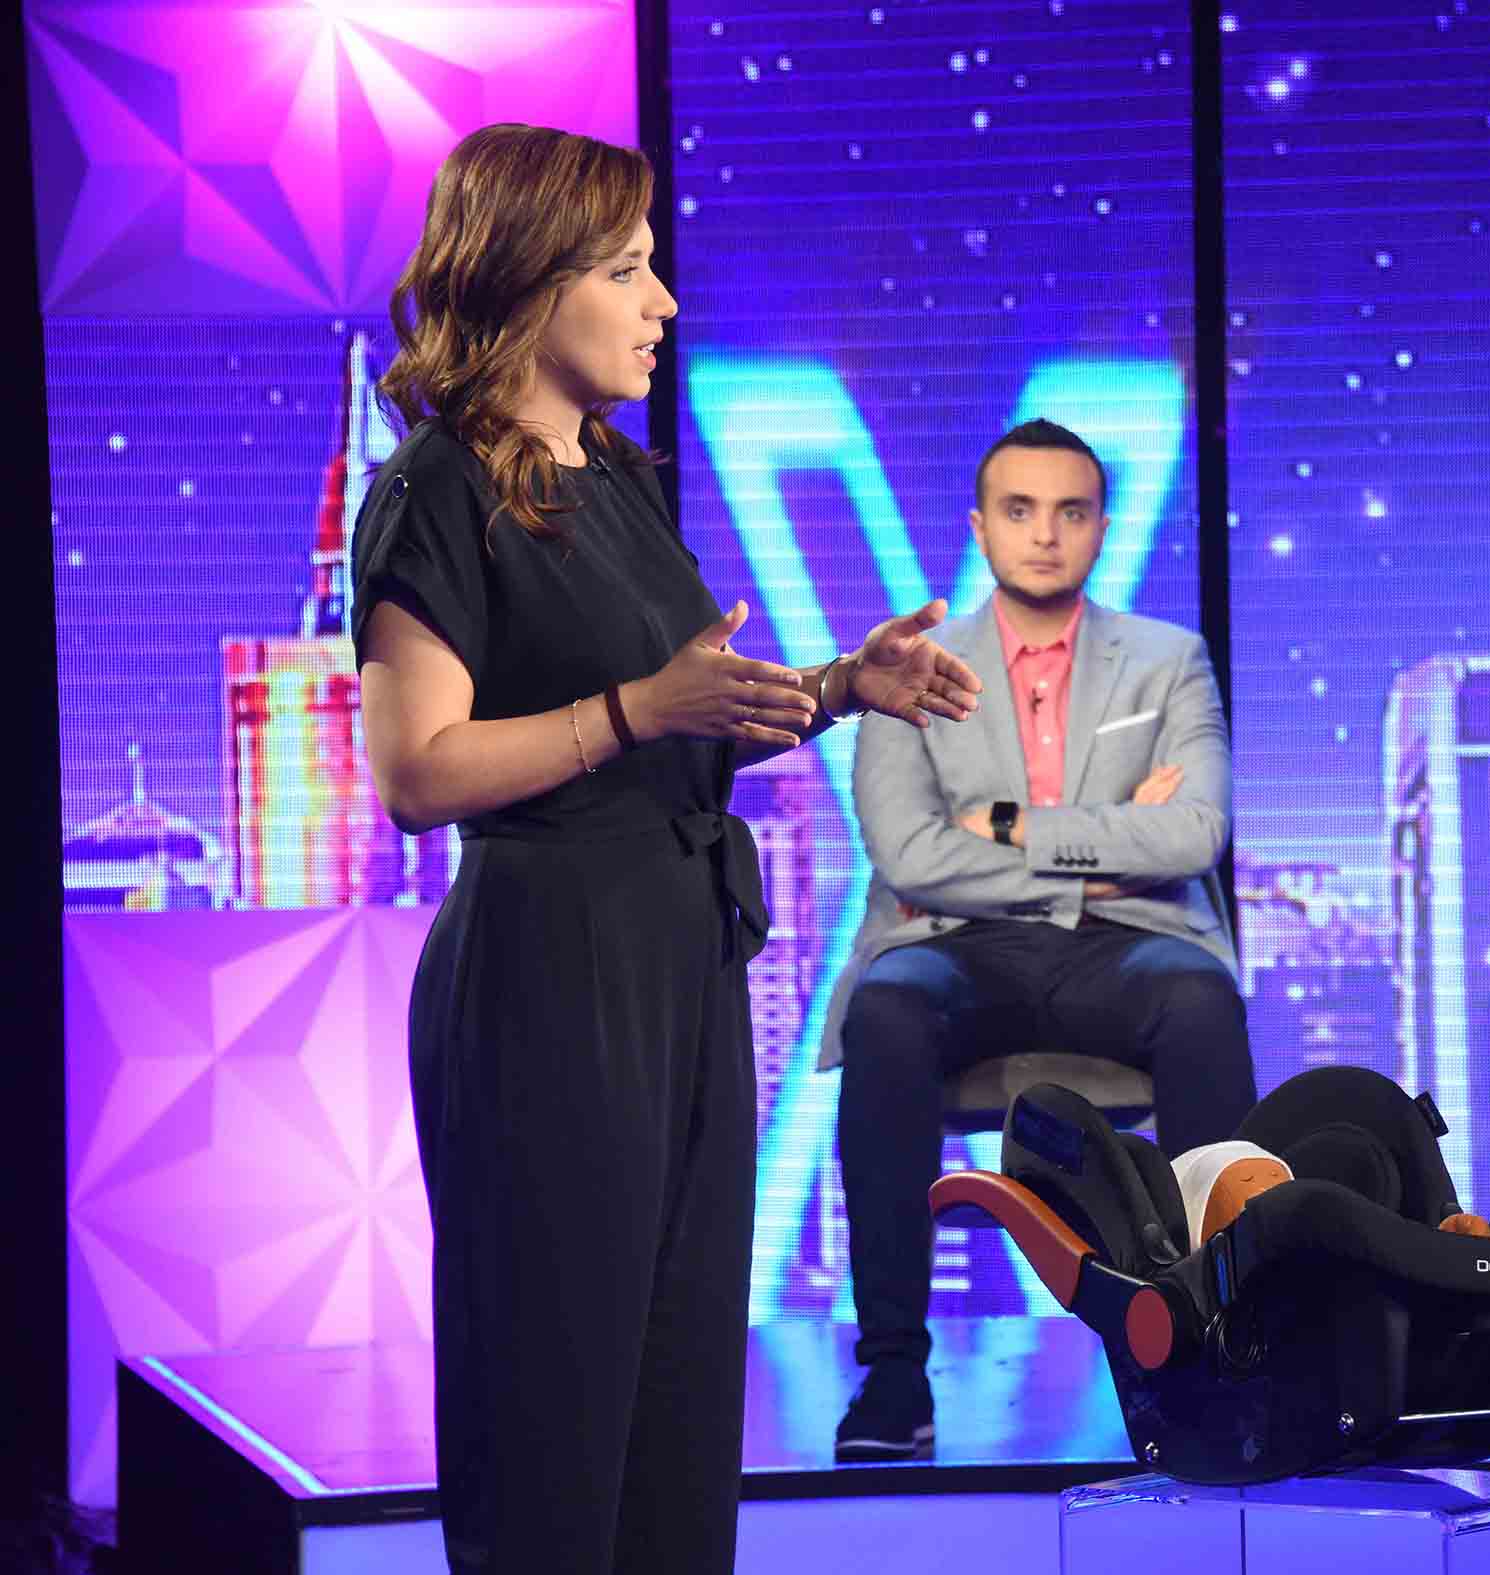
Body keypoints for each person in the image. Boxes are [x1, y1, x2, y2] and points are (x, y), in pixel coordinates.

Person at [350, 123, 982, 1573]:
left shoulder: (621, 480)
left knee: (679, 1397)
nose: (664, 303)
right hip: (547, 973)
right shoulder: (437, 491)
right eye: (626, 271)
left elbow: (684, 715)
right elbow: (418, 771)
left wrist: (839, 686)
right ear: (531, 281)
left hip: (681, 958)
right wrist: (640, 707)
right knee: (555, 1402)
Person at [818, 418, 1258, 1461]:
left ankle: (1217, 1359)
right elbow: (910, 856)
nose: (1045, 534)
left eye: (1070, 511)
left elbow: (1194, 832)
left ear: (1101, 526)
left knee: (1200, 1001)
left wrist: (1014, 826)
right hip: (955, 945)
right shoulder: (907, 669)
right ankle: (892, 1375)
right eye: (1020, 510)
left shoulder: (1168, 660)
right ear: (980, 527)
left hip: (1129, 938)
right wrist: (1104, 850)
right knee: (884, 1012)